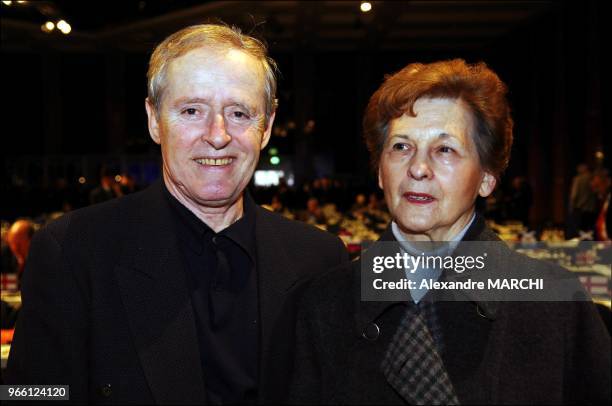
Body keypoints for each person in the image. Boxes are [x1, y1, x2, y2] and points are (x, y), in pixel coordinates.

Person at [6, 24, 348, 404]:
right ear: (154, 120)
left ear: (266, 127)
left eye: (238, 113)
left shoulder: (319, 259)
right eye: (191, 110)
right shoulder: (72, 251)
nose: (217, 135)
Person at [289, 59, 610, 404]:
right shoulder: (325, 303)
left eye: (445, 149)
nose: (418, 168)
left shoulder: (553, 302)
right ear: (381, 171)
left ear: (487, 177)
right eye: (400, 147)